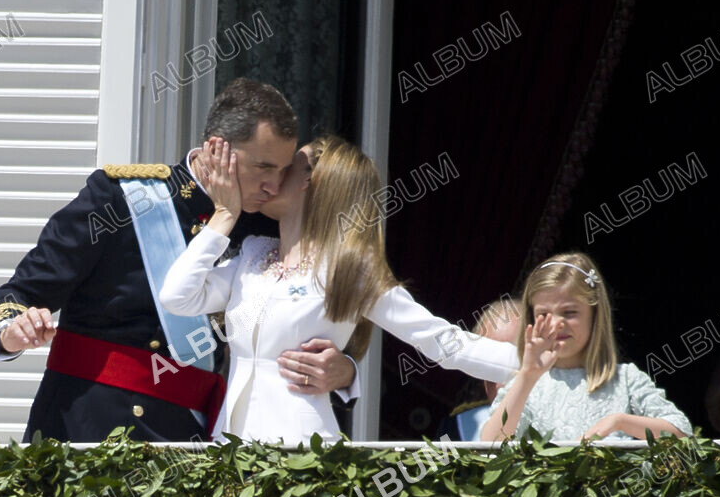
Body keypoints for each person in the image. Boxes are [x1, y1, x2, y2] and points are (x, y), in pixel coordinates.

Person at [0, 79, 357, 442]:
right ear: (216, 150)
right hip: (90, 433)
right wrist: (12, 332)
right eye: (263, 167)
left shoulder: (264, 226)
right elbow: (16, 296)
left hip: (195, 440)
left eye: (282, 170)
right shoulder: (121, 200)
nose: (273, 185)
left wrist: (346, 371)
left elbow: (310, 320)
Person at [159, 136, 520, 443]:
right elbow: (177, 296)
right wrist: (224, 217)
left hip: (299, 460)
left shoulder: (349, 270)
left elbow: (440, 340)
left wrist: (536, 365)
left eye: (287, 168)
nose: (271, 178)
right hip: (231, 450)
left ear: (312, 183)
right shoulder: (253, 254)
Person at [480, 253, 691, 441]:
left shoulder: (624, 379)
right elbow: (490, 444)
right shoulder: (528, 383)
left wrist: (618, 422)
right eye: (544, 314)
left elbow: (681, 432)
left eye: (569, 312)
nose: (556, 324)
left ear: (595, 314)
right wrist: (527, 375)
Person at [439, 298, 522, 441]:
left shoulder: (562, 417)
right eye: (487, 363)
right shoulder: (458, 429)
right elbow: (430, 464)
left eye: (509, 360)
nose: (499, 382)